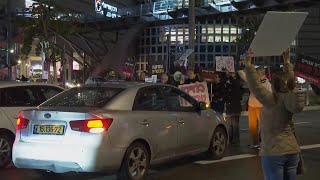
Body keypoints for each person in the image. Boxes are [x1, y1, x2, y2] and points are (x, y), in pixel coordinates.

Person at [243, 49, 305, 180]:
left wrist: (248, 66)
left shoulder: (272, 100)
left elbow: (255, 86)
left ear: (274, 86)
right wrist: (287, 62)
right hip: (292, 150)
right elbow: (290, 82)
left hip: (273, 151)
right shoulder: (290, 98)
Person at [238, 65, 272, 149]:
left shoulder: (267, 83)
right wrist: (239, 68)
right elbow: (244, 76)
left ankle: (262, 142)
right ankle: (255, 143)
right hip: (252, 105)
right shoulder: (254, 81)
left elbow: (270, 96)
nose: (256, 74)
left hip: (261, 106)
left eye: (257, 73)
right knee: (252, 126)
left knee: (262, 126)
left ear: (262, 73)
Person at [224, 71, 244, 145]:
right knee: (229, 125)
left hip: (235, 107)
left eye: (232, 73)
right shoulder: (229, 84)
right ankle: (230, 138)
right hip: (229, 107)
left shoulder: (237, 83)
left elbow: (236, 84)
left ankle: (235, 139)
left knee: (235, 125)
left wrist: (230, 77)